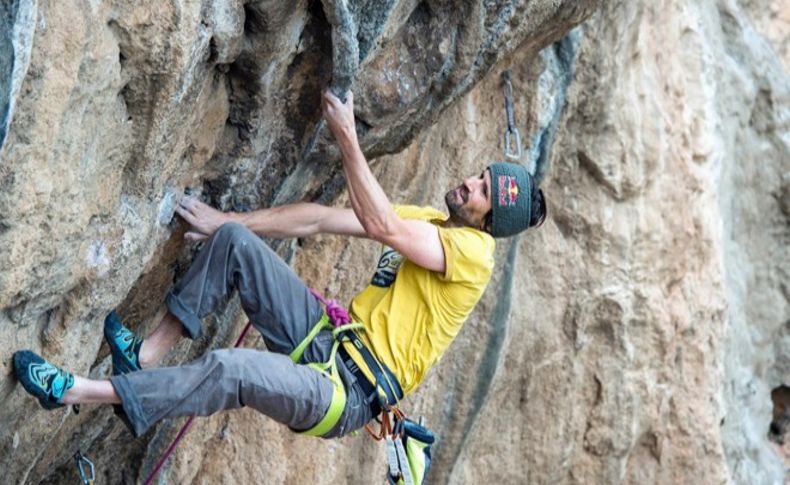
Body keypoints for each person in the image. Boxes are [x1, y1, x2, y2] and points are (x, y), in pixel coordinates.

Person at [13, 90, 547, 439]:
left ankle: (73, 391)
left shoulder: (475, 257)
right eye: (479, 176)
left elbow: (382, 225)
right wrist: (228, 219)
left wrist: (348, 139)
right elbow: (319, 220)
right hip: (329, 339)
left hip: (346, 393)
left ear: (488, 222)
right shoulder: (433, 220)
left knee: (232, 369)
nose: (470, 184)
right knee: (236, 242)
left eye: (481, 193)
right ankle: (144, 355)